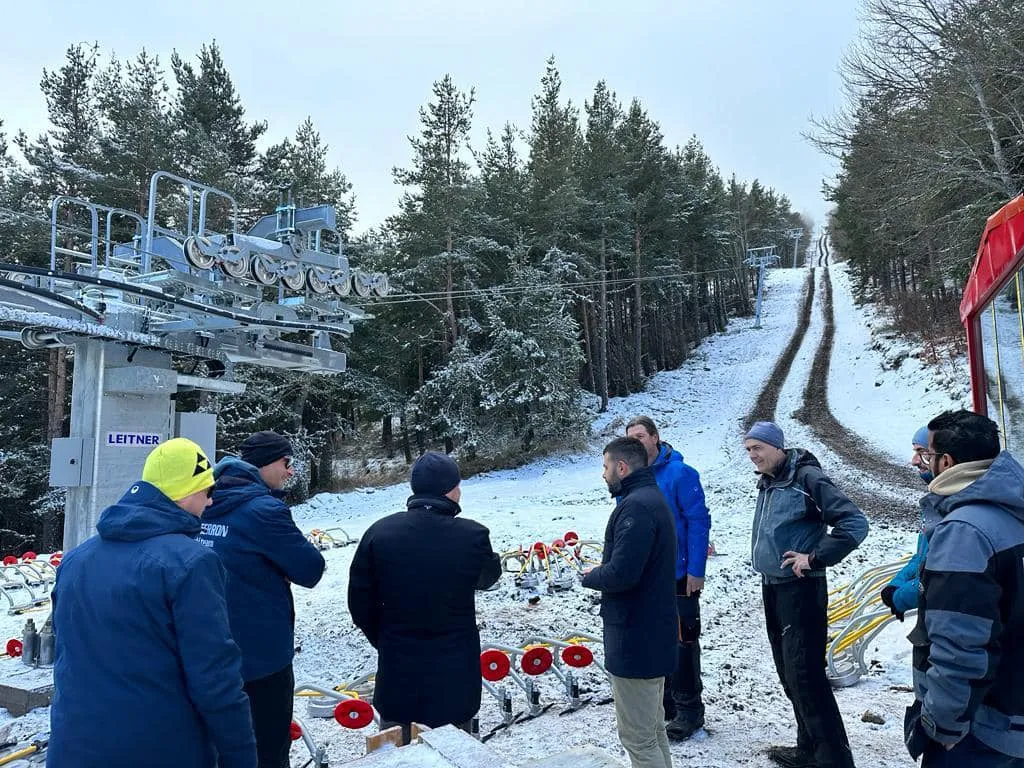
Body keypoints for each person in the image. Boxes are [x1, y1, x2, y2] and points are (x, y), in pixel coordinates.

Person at [49, 438, 257, 768]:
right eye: (207, 490)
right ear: (185, 492)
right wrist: (241, 755)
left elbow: (67, 652)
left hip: (74, 746)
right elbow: (214, 678)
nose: (211, 500)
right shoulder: (192, 562)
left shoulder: (76, 560)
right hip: (159, 748)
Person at [348, 451, 501, 744]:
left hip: (399, 672)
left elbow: (359, 603)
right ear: (449, 489)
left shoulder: (379, 534)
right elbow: (487, 577)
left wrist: (386, 639)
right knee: (454, 753)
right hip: (454, 678)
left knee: (399, 754)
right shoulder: (471, 535)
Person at [198, 430, 326, 768]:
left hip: (206, 655)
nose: (290, 471)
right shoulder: (264, 511)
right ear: (266, 463)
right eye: (286, 462)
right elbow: (311, 569)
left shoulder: (202, 501)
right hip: (261, 660)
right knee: (267, 750)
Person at [743, 421, 868, 768]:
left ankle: (834, 761)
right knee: (791, 675)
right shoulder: (770, 480)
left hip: (801, 590)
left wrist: (813, 557)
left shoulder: (807, 479)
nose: (752, 456)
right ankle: (809, 751)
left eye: (758, 448)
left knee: (806, 677)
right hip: (773, 587)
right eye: (748, 450)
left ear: (778, 446)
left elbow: (854, 524)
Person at [904, 410, 1024, 767]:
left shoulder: (965, 531)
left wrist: (942, 725)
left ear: (946, 461)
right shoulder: (1013, 510)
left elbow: (960, 646)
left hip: (979, 729)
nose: (920, 462)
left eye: (926, 455)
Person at [582, 437, 678, 768]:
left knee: (637, 738)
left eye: (606, 467)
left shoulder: (636, 507)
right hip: (649, 634)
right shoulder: (648, 499)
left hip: (636, 638)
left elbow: (623, 574)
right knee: (652, 731)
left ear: (622, 468)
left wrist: (592, 574)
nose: (604, 474)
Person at [625, 416, 710, 739]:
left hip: (678, 574)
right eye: (631, 438)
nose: (637, 442)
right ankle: (665, 705)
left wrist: (696, 570)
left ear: (656, 437)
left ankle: (690, 710)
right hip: (646, 577)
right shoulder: (631, 476)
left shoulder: (680, 474)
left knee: (684, 643)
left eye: (641, 436)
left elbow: (699, 521)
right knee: (655, 641)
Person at [880, 426, 932, 621]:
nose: (914, 461)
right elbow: (922, 558)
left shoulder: (952, 507)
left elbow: (938, 579)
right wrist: (896, 584)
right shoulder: (934, 503)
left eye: (921, 452)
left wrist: (900, 596)